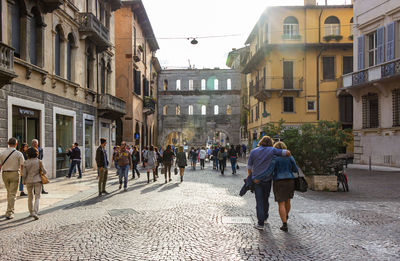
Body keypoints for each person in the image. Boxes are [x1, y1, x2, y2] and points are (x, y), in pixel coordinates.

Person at [247, 136, 291, 230]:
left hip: (256, 180)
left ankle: (260, 223)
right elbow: (287, 153)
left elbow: (249, 167)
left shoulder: (253, 151)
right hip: (267, 180)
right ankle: (265, 217)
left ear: (260, 142)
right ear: (271, 143)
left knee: (259, 201)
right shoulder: (272, 150)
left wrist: (250, 177)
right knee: (265, 199)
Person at [254, 141, 298, 232]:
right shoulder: (290, 157)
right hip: (290, 180)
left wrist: (259, 178)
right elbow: (295, 169)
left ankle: (284, 224)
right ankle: (286, 216)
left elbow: (269, 171)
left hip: (279, 181)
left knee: (281, 203)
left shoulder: (274, 158)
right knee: (288, 200)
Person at [0, 137, 25, 219]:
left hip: (4, 174)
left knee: (9, 192)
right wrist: (23, 176)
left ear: (8, 143)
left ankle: (8, 210)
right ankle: (9, 212)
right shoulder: (19, 154)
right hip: (14, 173)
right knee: (12, 194)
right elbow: (22, 166)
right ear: (16, 144)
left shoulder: (2, 153)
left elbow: (0, 165)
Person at [22, 147, 48, 220]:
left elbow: (23, 174)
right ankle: (35, 212)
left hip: (28, 181)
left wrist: (23, 180)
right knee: (37, 196)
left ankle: (31, 212)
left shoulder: (25, 162)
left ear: (28, 154)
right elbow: (45, 171)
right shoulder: (39, 161)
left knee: (30, 197)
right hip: (37, 180)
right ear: (36, 153)